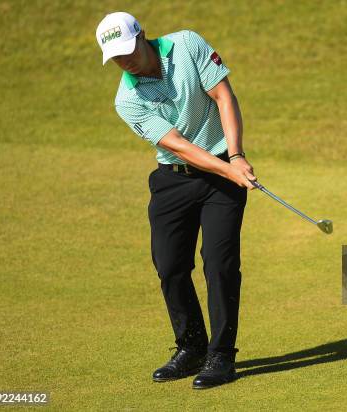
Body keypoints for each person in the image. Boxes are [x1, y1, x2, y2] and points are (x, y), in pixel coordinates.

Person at [95, 11, 256, 389]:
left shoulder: (186, 44)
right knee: (169, 266)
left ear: (143, 36)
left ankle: (220, 356)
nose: (125, 61)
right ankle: (191, 347)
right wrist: (227, 170)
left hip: (222, 169)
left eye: (128, 49)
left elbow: (223, 95)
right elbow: (178, 146)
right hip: (173, 180)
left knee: (219, 265)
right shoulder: (126, 99)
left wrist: (234, 157)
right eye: (116, 57)